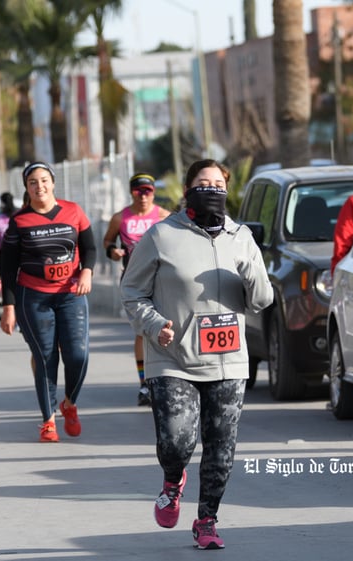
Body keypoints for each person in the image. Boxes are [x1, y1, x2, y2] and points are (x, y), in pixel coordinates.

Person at [120, 159, 273, 549]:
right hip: (172, 357)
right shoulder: (161, 235)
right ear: (187, 189)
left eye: (219, 184)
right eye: (203, 183)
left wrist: (250, 270)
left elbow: (262, 300)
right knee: (176, 441)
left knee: (221, 446)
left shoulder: (240, 237)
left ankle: (207, 519)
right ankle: (173, 481)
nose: (211, 190)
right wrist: (155, 325)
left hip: (228, 361)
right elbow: (132, 292)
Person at [0, 162, 96, 443]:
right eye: (32, 182)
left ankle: (69, 402)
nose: (39, 186)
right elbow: (7, 267)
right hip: (34, 296)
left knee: (78, 355)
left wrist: (86, 271)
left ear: (53, 183)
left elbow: (89, 247)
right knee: (45, 357)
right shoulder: (19, 221)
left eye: (43, 181)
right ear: (26, 188)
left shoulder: (73, 211)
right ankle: (48, 419)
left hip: (71, 294)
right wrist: (8, 307)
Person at [102, 172, 170, 406]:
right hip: (134, 283)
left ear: (153, 193)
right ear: (131, 193)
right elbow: (108, 242)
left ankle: (168, 380)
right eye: (138, 191)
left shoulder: (164, 216)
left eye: (148, 191)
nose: (143, 196)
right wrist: (114, 252)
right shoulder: (120, 218)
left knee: (167, 328)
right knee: (142, 331)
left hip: (162, 280)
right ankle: (145, 385)